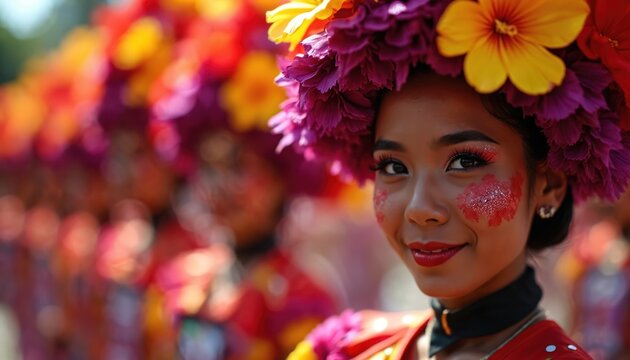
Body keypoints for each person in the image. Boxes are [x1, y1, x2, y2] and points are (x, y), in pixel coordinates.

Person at [265, 0, 630, 358]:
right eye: (393, 167)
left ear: (549, 186)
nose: (420, 209)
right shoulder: (343, 349)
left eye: (464, 161)